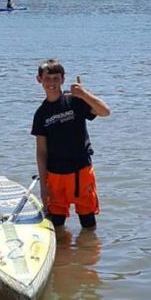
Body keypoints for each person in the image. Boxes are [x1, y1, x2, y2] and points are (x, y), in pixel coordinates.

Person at [31, 59, 110, 229]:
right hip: (55, 175)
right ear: (39, 79)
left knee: (88, 222)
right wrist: (44, 185)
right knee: (56, 224)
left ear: (63, 79)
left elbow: (105, 111)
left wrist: (84, 94)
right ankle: (62, 252)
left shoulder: (74, 101)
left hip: (81, 171)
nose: (51, 83)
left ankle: (87, 253)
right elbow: (41, 151)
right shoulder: (41, 113)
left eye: (56, 78)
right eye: (47, 78)